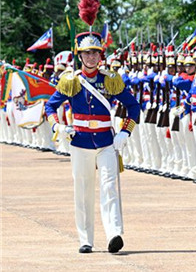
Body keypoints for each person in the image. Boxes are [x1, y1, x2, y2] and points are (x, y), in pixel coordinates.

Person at [45, 31, 140, 254]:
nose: (91, 57)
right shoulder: (71, 80)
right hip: (80, 142)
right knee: (83, 190)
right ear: (80, 55)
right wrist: (58, 127)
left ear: (101, 56)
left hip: (107, 141)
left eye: (95, 53)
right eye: (87, 53)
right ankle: (85, 239)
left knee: (110, 187)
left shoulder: (110, 80)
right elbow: (50, 107)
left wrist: (125, 132)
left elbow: (133, 106)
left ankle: (114, 233)